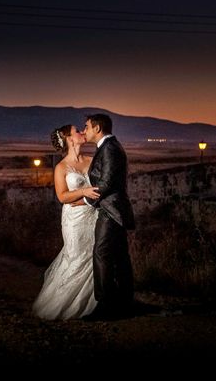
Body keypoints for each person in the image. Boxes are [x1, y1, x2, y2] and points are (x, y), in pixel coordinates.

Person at [32, 125, 101, 320]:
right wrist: (83, 192)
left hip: (94, 215)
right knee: (77, 256)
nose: (81, 132)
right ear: (70, 139)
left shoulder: (92, 160)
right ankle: (66, 305)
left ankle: (94, 304)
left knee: (94, 256)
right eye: (77, 131)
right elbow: (62, 196)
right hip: (75, 220)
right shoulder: (61, 167)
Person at [82, 113, 135, 320]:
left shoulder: (110, 148)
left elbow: (106, 183)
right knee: (120, 257)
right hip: (114, 210)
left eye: (86, 126)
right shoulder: (108, 147)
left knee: (101, 254)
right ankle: (124, 303)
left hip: (111, 211)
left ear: (97, 128)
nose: (84, 130)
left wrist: (85, 201)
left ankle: (105, 306)